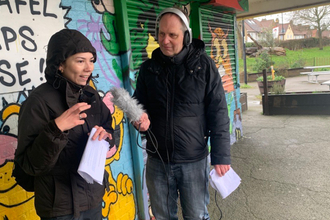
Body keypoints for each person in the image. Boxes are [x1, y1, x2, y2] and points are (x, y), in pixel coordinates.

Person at [133, 7, 231, 220]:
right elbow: (137, 105)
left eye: (172, 35)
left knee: (196, 215)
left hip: (194, 161)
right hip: (158, 161)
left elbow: (219, 112)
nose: (165, 40)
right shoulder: (148, 69)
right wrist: (138, 119)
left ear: (186, 36)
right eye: (161, 34)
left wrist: (221, 156)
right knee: (162, 216)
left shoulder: (205, 66)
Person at [14, 29, 114, 220]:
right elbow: (29, 164)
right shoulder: (38, 102)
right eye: (80, 61)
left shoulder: (91, 96)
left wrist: (105, 134)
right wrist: (56, 129)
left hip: (92, 199)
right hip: (59, 208)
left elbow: (109, 130)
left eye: (91, 60)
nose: (89, 68)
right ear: (60, 64)